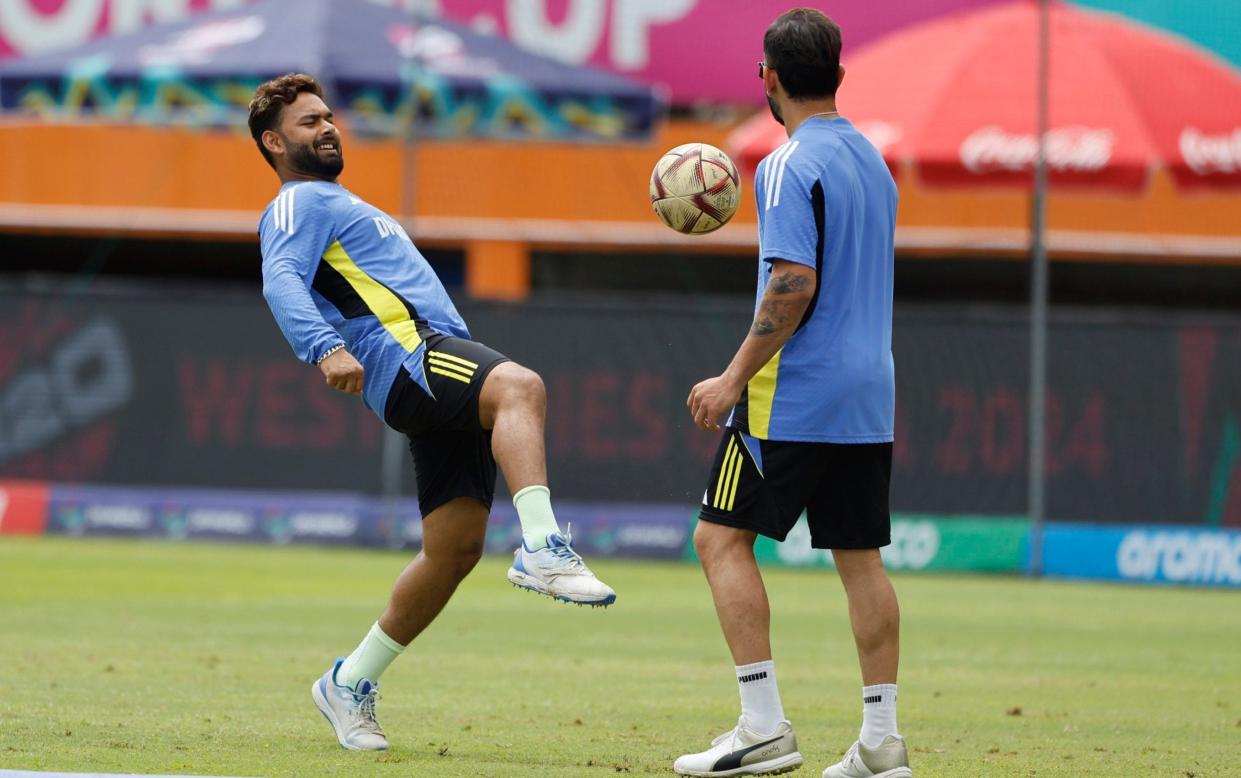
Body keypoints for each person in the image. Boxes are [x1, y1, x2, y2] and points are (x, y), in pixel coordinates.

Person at [247, 73, 616, 752]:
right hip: (410, 357)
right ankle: (541, 545)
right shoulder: (297, 202)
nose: (326, 127)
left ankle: (348, 682)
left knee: (452, 552)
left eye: (328, 116)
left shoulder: (335, 199)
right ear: (274, 142)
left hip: (420, 368)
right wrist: (323, 346)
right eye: (307, 123)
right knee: (519, 388)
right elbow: (280, 279)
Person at [674, 9, 910, 778]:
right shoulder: (873, 161)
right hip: (869, 389)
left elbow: (792, 280)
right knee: (860, 560)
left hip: (794, 394)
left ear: (768, 79)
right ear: (836, 75)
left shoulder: (783, 165)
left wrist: (730, 378)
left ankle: (762, 725)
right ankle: (881, 741)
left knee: (719, 539)